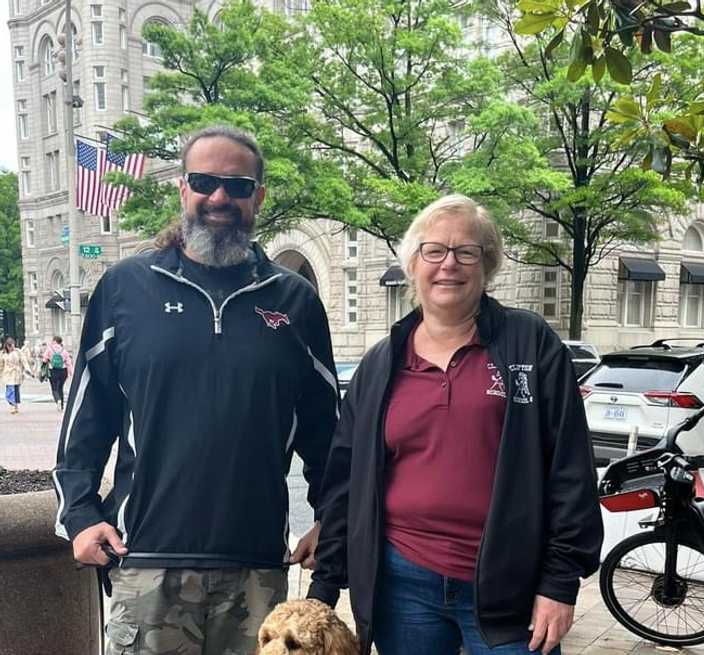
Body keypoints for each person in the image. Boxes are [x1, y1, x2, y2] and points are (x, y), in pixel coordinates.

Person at [54, 125, 339, 655]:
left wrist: (329, 519)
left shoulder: (294, 301)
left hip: (256, 564)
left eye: (237, 185)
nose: (219, 198)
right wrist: (80, 514)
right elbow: (86, 416)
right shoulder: (124, 289)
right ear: (183, 189)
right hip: (145, 559)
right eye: (205, 182)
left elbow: (327, 433)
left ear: (259, 195)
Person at [308, 195, 603, 655]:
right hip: (403, 586)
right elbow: (345, 481)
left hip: (512, 591)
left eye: (467, 252)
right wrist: (323, 589)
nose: (450, 264)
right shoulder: (380, 365)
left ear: (487, 266)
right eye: (434, 251)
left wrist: (560, 583)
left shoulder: (529, 343)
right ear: (412, 264)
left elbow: (570, 468)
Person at [0, 336, 33, 414]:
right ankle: (12, 405)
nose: (12, 347)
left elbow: (24, 361)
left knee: (15, 390)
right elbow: (1, 364)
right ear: (7, 346)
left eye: (13, 345)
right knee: (10, 390)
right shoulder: (3, 353)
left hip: (17, 374)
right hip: (8, 374)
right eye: (10, 346)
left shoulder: (18, 352)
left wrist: (28, 370)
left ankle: (15, 406)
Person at [43, 336, 73, 411]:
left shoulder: (49, 349)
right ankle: (62, 405)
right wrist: (71, 372)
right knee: (60, 388)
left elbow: (44, 360)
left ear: (55, 341)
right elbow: (69, 362)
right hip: (63, 371)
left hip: (53, 370)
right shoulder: (64, 350)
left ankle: (58, 400)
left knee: (54, 388)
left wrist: (43, 370)